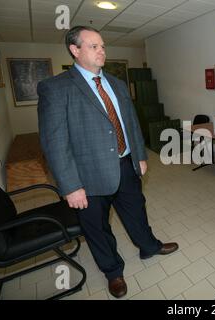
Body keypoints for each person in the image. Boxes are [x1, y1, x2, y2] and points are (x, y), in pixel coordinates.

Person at [37, 26, 178, 299]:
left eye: (102, 46)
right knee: (97, 227)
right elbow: (54, 143)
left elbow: (131, 123)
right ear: (75, 50)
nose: (101, 50)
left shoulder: (117, 83)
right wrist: (70, 186)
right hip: (86, 176)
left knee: (137, 211)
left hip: (125, 165)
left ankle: (148, 246)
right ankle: (113, 271)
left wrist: (139, 155)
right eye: (93, 46)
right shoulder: (55, 88)